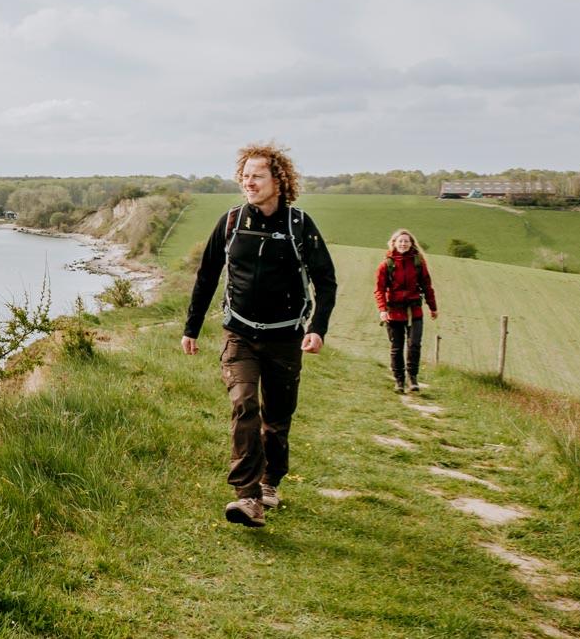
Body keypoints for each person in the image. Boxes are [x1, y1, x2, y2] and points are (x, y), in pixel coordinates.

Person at [181, 143, 337, 528]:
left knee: (277, 419)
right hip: (240, 334)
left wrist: (317, 329)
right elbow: (207, 275)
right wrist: (192, 327)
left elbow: (326, 282)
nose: (248, 182)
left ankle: (270, 481)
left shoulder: (299, 226)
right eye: (245, 176)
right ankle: (247, 495)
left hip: (286, 337)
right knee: (244, 404)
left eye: (257, 176)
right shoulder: (231, 222)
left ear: (278, 181)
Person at [374, 229, 437, 393]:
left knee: (414, 345)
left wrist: (433, 307)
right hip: (394, 312)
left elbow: (427, 286)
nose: (403, 244)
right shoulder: (386, 265)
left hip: (414, 311)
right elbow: (379, 290)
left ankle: (413, 378)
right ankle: (399, 381)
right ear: (394, 243)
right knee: (397, 347)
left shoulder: (418, 263)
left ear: (411, 244)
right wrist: (382, 310)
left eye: (406, 241)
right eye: (400, 241)